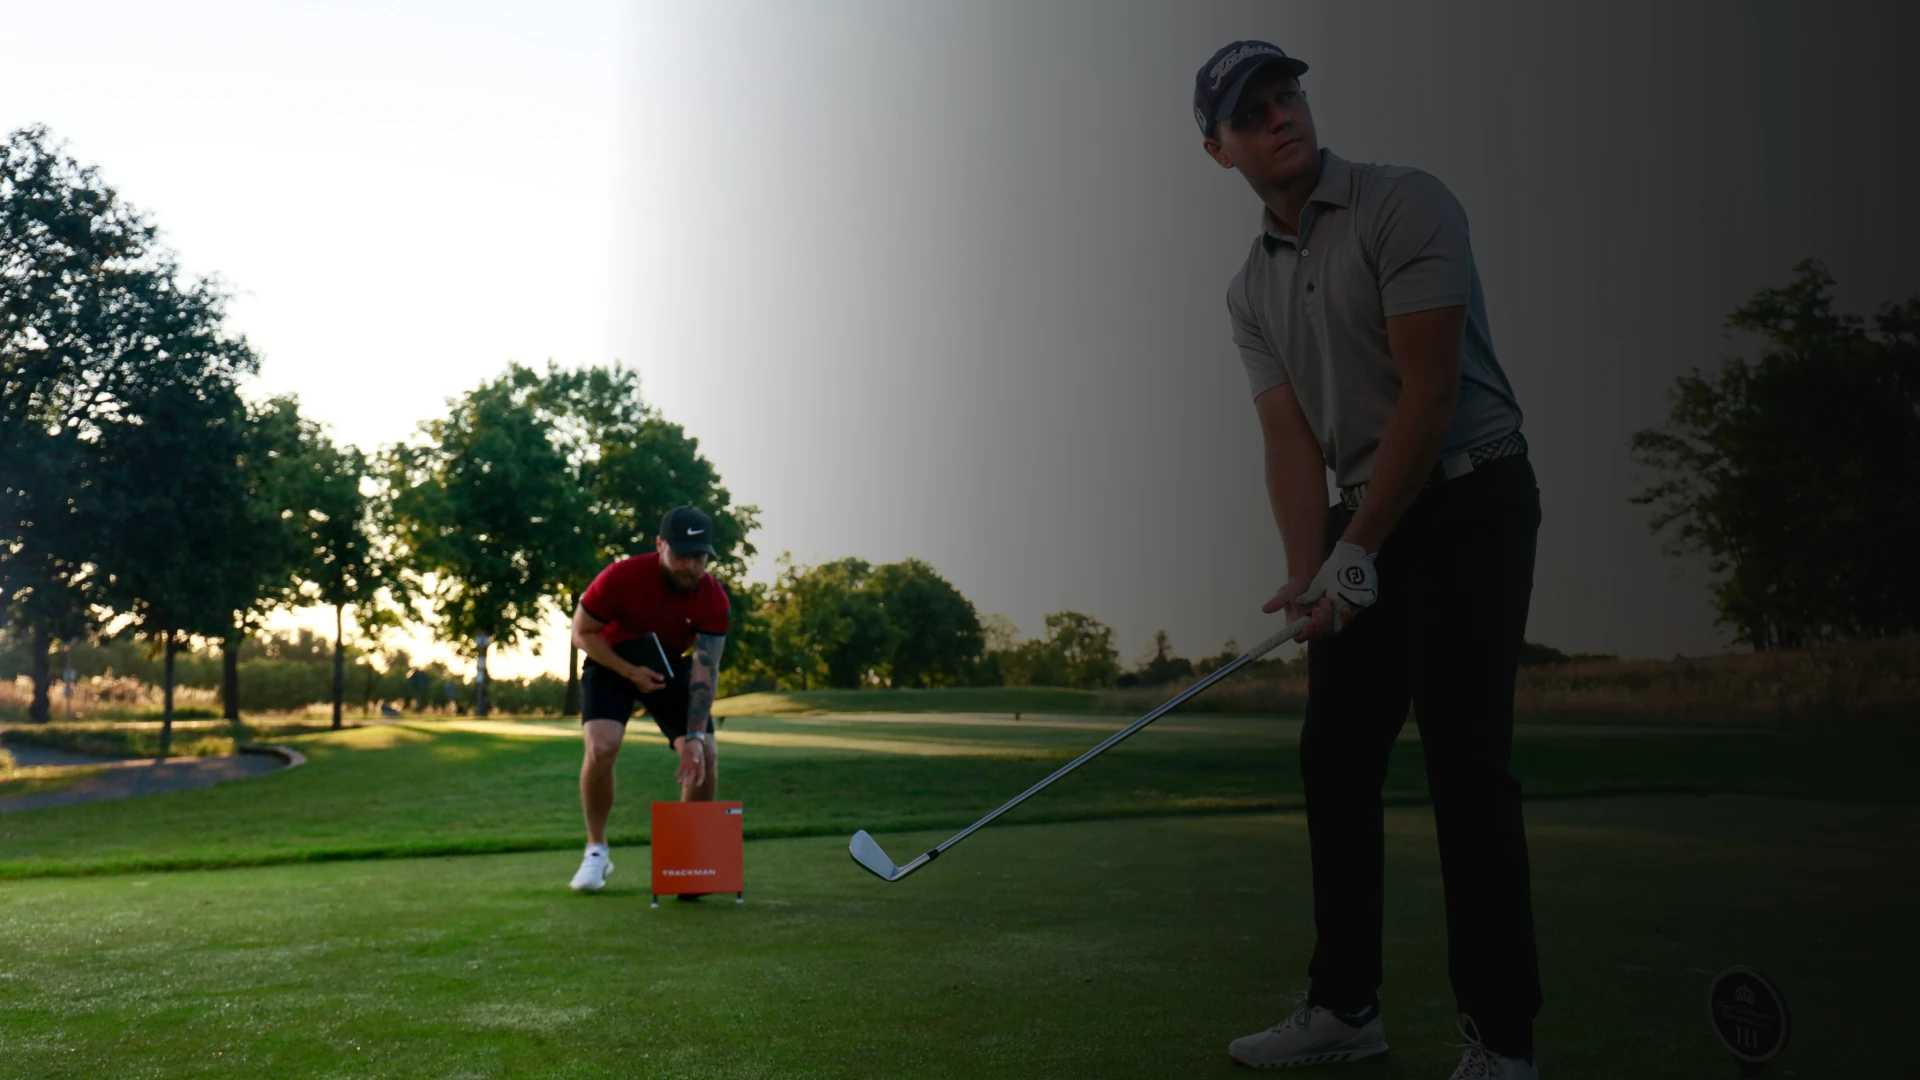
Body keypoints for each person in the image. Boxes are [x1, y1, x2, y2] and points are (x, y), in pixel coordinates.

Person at [1194, 40, 1544, 1079]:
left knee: (1465, 765)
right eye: (1253, 113)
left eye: (1287, 95)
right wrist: (1314, 575)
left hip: (1475, 496)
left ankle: (1503, 1043)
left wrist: (1356, 552)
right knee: (1333, 756)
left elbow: (1428, 397)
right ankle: (1345, 1007)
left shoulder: (1406, 203)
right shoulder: (1247, 290)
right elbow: (1291, 441)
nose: (1282, 117)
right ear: (1219, 150)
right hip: (1365, 524)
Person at [567, 505, 730, 893]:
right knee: (602, 748)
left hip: (670, 667)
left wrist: (692, 736)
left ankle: (689, 862)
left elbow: (706, 669)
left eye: (700, 557)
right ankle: (596, 851)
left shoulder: (713, 597)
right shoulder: (621, 577)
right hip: (611, 662)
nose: (691, 565)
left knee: (704, 753)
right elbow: (582, 633)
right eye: (682, 554)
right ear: (660, 545)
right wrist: (628, 671)